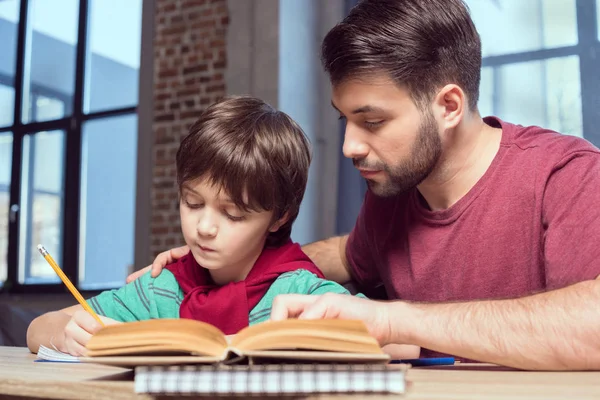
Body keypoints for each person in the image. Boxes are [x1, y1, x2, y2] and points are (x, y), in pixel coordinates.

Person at [129, 0, 600, 370]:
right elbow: (343, 254)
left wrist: (392, 318)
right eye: (345, 120)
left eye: (372, 121)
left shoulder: (566, 176)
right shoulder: (394, 196)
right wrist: (212, 260)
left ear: (449, 105)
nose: (350, 146)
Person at [26, 96, 364, 357]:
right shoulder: (163, 288)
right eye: (192, 203)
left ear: (280, 217)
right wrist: (71, 336)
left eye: (232, 214)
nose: (204, 227)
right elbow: (38, 328)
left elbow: (395, 341)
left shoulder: (298, 292)